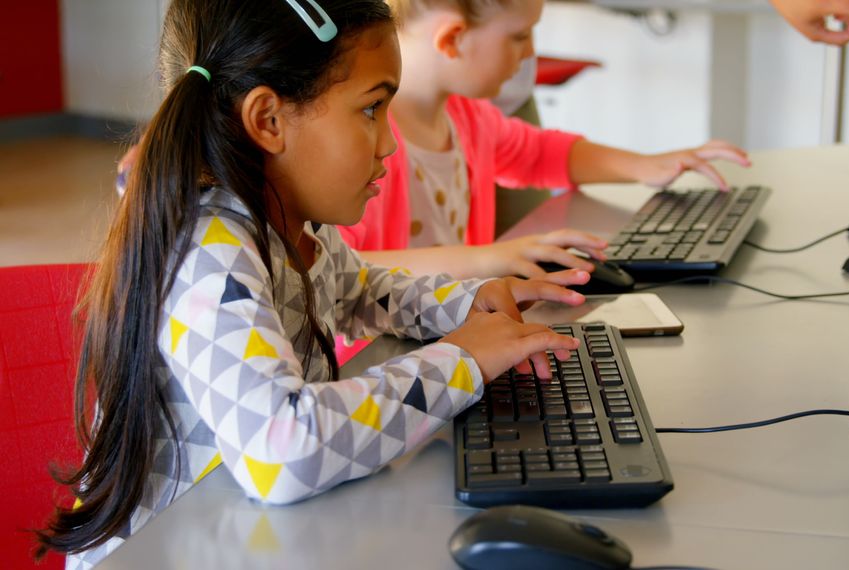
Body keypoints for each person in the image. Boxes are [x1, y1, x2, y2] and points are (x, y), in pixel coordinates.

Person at [36, 0, 588, 567]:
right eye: (371, 109)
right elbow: (283, 446)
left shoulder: (292, 221)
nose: (390, 144)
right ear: (268, 120)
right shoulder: (205, 245)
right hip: (178, 547)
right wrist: (462, 360)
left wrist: (469, 302)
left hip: (257, 532)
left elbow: (365, 291)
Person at [337, 0, 752, 279]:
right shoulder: (361, 148)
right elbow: (341, 272)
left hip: (443, 337)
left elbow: (541, 153)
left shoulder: (467, 118)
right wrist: (489, 260)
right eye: (519, 36)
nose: (529, 53)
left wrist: (646, 165)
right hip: (376, 363)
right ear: (452, 39)